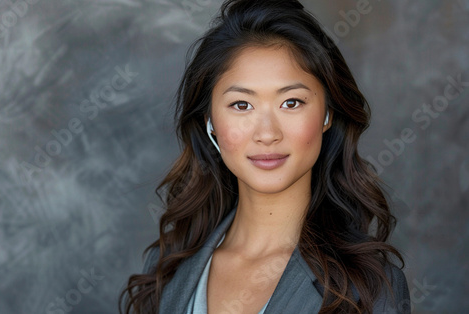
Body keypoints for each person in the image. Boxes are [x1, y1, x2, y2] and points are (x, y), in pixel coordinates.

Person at [119, 0, 411, 313]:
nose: (267, 133)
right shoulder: (167, 268)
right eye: (242, 105)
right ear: (210, 122)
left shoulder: (369, 286)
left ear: (327, 113)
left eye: (292, 102)